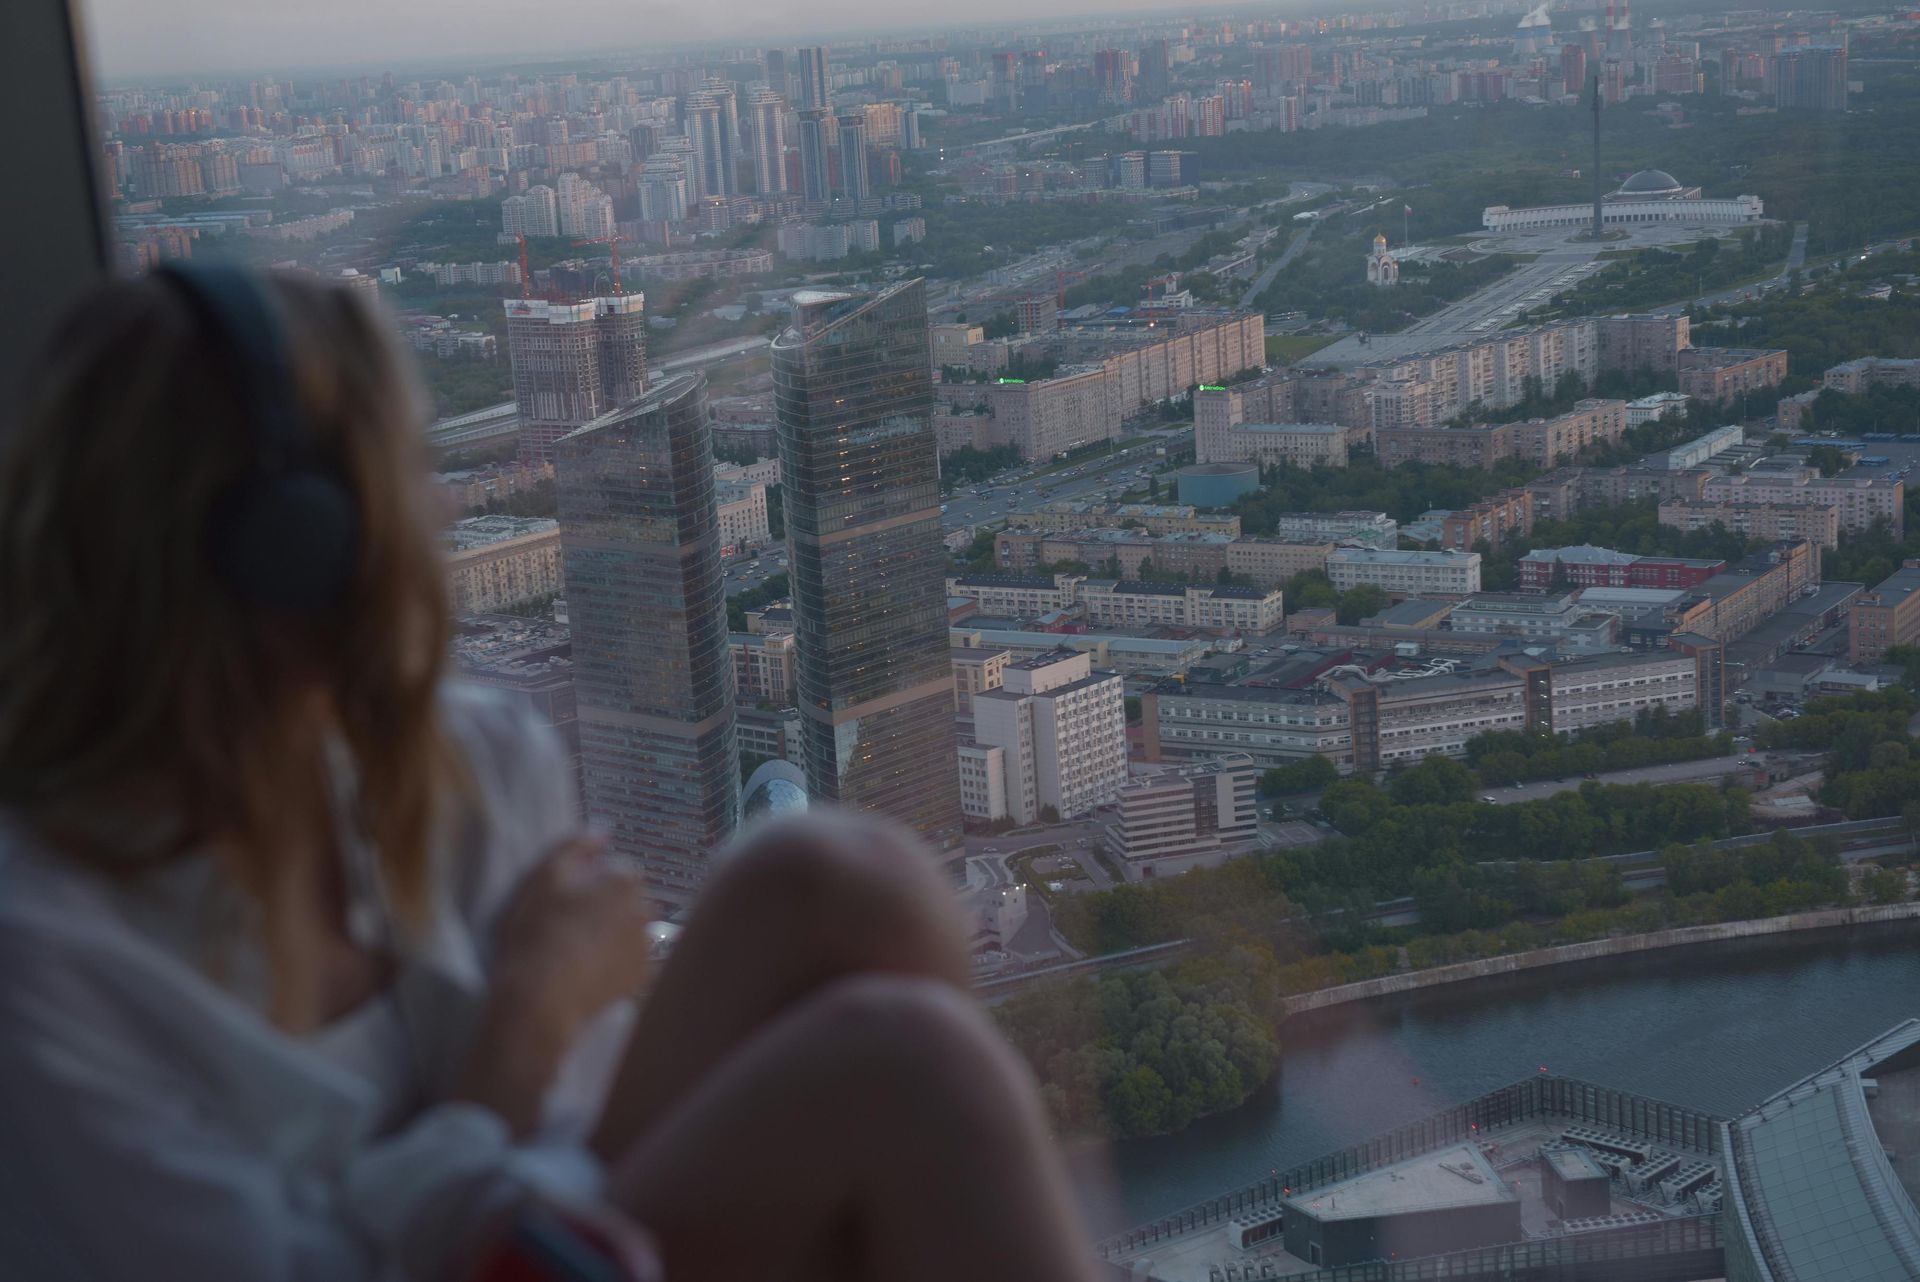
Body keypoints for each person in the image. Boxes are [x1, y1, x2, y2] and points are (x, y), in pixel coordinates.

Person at [0, 265, 1098, 1282]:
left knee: (847, 876)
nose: (432, 516)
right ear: (301, 545)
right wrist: (522, 1029)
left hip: (527, 1237)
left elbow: (567, 1150)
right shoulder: (43, 953)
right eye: (408, 475)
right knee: (912, 1070)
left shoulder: (470, 763)